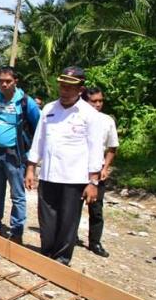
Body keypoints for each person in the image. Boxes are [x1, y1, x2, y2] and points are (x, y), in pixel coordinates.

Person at [25, 66, 104, 266]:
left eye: (70, 87)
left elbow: (96, 150)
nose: (65, 91)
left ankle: (61, 260)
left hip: (74, 179)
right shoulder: (49, 109)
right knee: (47, 222)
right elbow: (39, 140)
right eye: (62, 86)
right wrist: (31, 168)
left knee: (68, 223)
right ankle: (47, 254)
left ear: (80, 89)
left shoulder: (88, 114)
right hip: (49, 176)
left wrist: (93, 182)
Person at [0, 66, 40, 244]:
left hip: (14, 155)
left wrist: (31, 156)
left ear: (15, 81)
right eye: (1, 81)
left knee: (17, 195)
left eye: (8, 81)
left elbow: (39, 127)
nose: (4, 84)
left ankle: (16, 231)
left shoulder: (25, 102)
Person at [81, 87, 118, 258]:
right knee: (72, 207)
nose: (97, 104)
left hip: (96, 171)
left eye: (100, 101)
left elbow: (112, 147)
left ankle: (95, 242)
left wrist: (105, 167)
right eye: (93, 101)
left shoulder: (107, 121)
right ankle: (69, 236)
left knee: (96, 209)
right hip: (78, 169)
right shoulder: (77, 117)